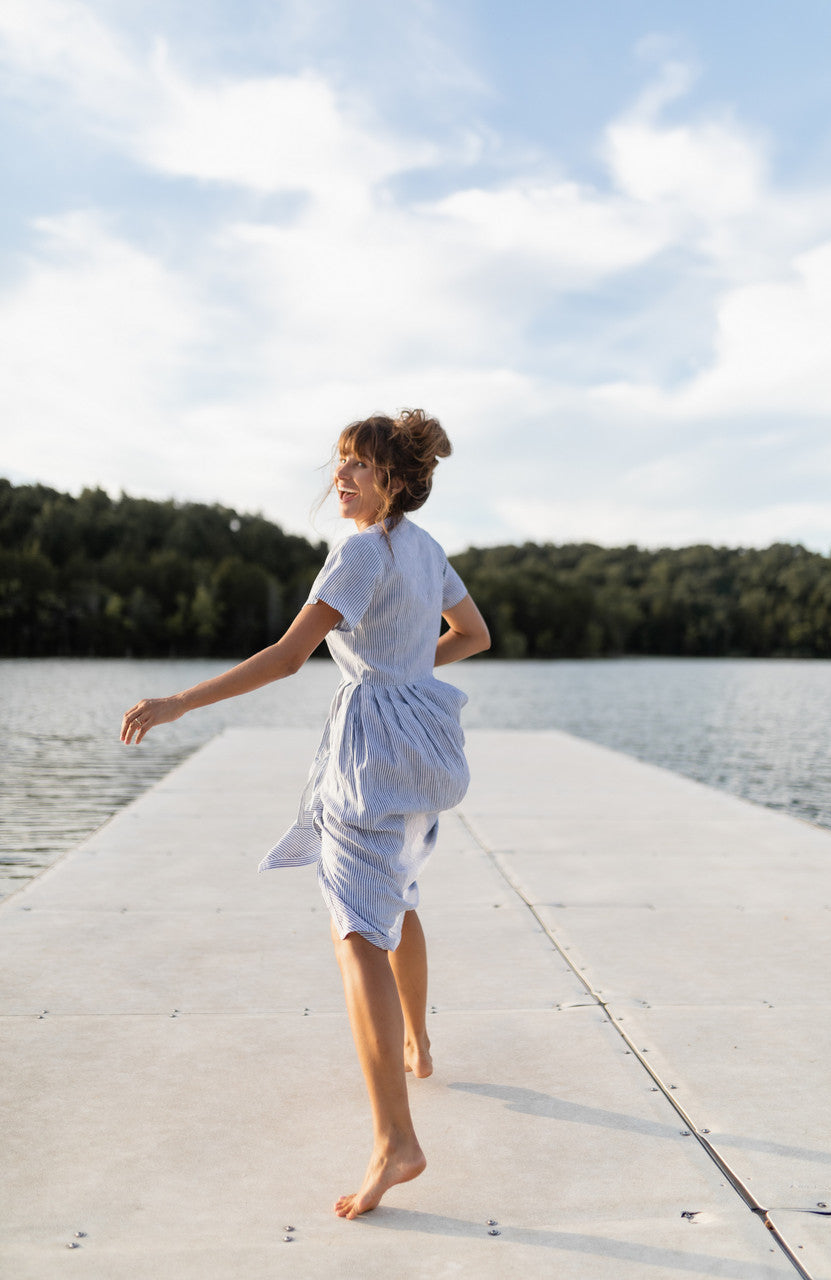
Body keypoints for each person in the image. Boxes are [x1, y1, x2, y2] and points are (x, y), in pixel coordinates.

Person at [120, 409, 490, 1219]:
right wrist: (399, 664)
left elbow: (287, 657)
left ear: (393, 480)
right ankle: (418, 1046)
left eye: (357, 466)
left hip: (373, 755)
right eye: (339, 464)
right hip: (425, 744)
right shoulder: (426, 551)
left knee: (356, 930)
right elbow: (473, 634)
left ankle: (397, 1140)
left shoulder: (359, 550)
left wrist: (180, 701)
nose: (340, 479)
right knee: (400, 895)